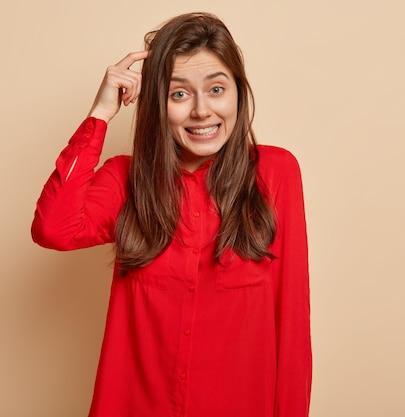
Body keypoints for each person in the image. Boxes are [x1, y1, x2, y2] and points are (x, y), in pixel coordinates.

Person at [32, 12, 311, 417]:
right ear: (156, 102)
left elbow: (292, 325)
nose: (202, 111)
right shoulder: (126, 179)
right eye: (179, 94)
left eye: (216, 89)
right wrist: (100, 114)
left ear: (238, 92)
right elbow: (54, 229)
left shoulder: (275, 173)